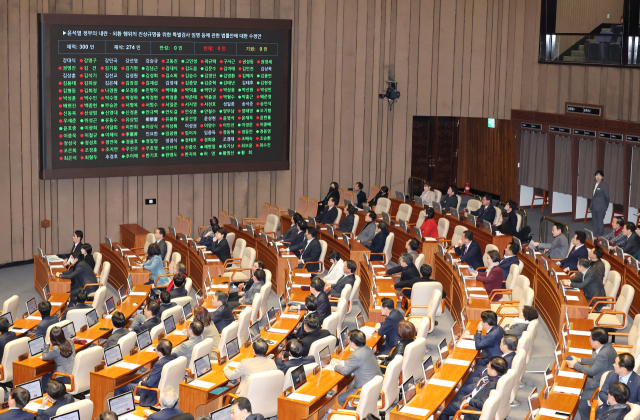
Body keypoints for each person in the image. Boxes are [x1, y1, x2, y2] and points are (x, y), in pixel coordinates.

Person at [566, 327, 618, 420]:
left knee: (579, 398)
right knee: (577, 386)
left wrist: (574, 365)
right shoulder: (607, 347)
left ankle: (587, 417)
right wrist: (579, 360)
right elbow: (596, 360)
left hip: (601, 385)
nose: (589, 340)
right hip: (606, 378)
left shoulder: (603, 354)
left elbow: (591, 371)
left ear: (597, 342)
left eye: (590, 339)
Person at [115, 339, 177, 406]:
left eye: (156, 347)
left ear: (160, 352)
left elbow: (149, 384)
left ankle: (121, 408)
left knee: (120, 386)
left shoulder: (159, 364)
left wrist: (142, 383)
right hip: (159, 383)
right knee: (135, 377)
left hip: (150, 391)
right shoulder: (174, 356)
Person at [441, 357, 508, 420]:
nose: (487, 366)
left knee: (443, 408)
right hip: (474, 398)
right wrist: (483, 380)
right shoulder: (498, 378)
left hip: (472, 408)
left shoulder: (492, 385)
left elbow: (483, 404)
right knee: (452, 397)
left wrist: (468, 401)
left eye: (489, 366)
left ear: (494, 371)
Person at [334, 330, 382, 406]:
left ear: (353, 344)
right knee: (350, 386)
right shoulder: (367, 348)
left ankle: (354, 413)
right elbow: (358, 361)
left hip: (365, 390)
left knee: (341, 398)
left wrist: (335, 366)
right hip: (375, 387)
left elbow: (345, 371)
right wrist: (342, 362)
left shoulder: (356, 355)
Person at [597, 353, 640, 418]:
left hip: (626, 414)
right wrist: (611, 401)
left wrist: (631, 405)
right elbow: (602, 393)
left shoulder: (638, 382)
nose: (613, 365)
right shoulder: (611, 375)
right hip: (607, 410)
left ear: (623, 368)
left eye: (615, 363)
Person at [591, 170, 610, 237]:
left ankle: (600, 236)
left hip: (601, 207)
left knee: (599, 222)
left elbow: (607, 197)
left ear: (602, 177)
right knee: (594, 222)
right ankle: (596, 235)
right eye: (596, 175)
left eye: (599, 175)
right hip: (594, 206)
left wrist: (605, 206)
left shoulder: (604, 185)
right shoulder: (594, 184)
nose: (598, 177)